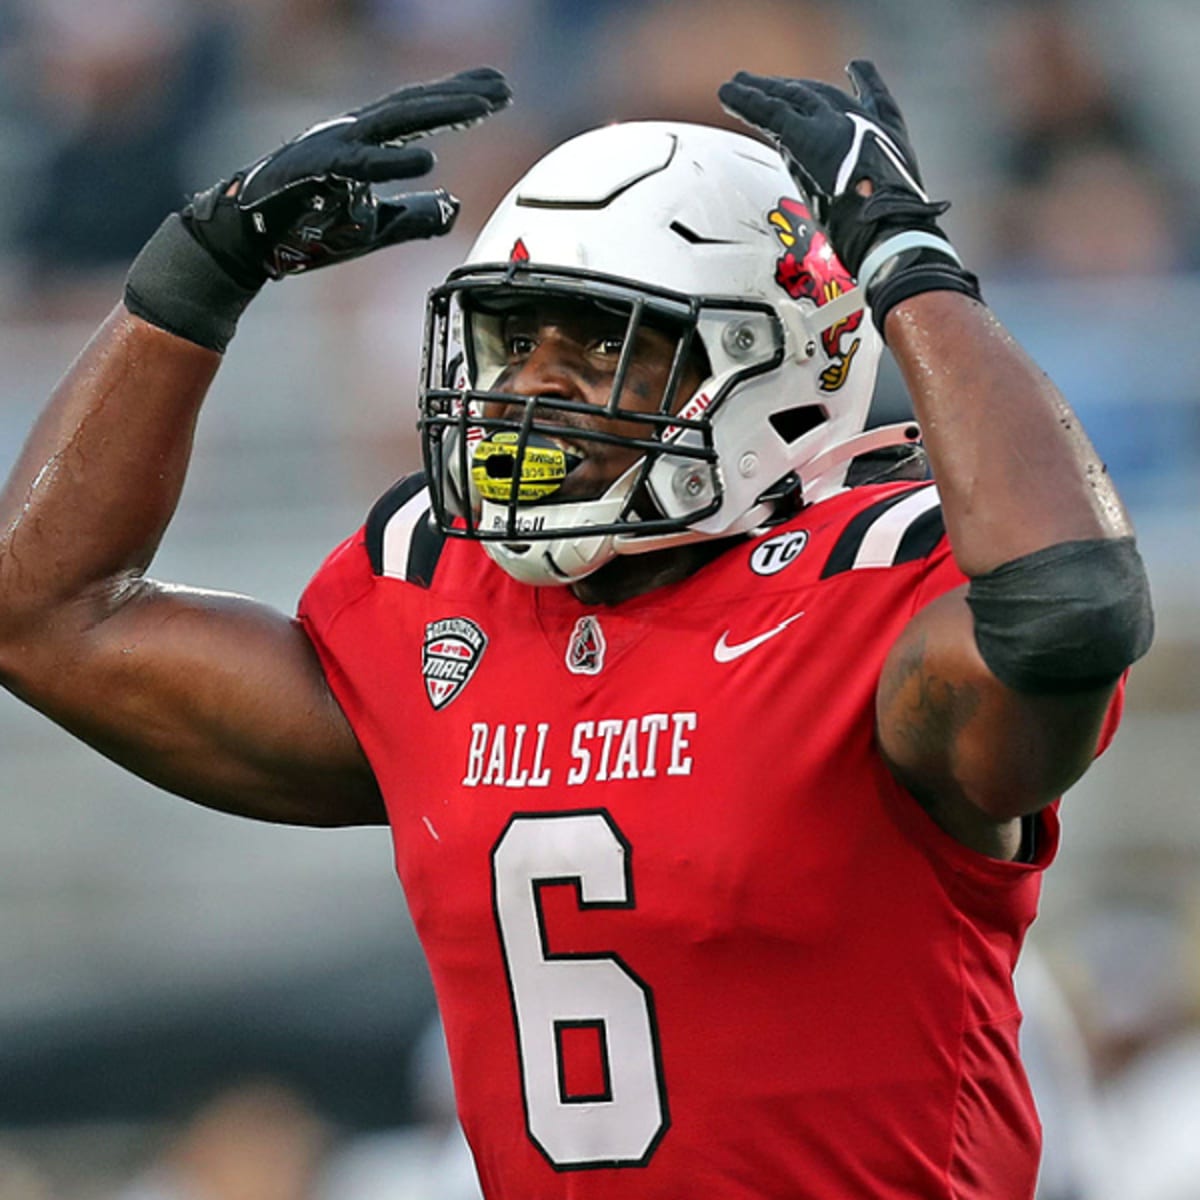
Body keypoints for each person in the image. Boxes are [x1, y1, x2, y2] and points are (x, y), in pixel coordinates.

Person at [0, 60, 1153, 1199]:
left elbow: (1066, 609)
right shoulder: (441, 598)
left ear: (774, 362)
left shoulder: (866, 593)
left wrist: (911, 269)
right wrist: (196, 276)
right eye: (513, 337)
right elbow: (45, 617)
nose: (528, 388)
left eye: (601, 345)